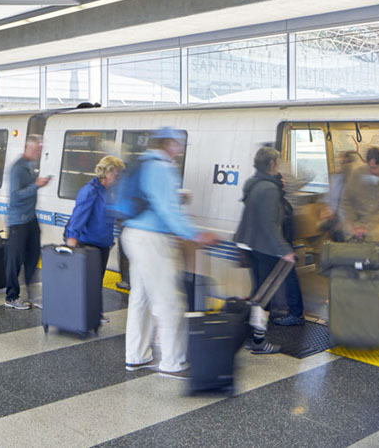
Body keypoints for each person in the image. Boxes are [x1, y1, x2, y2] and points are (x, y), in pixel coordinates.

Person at [121, 127, 217, 379]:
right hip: (153, 240)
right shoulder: (162, 168)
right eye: (178, 144)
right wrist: (194, 234)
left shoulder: (143, 162)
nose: (181, 149)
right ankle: (173, 363)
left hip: (133, 235)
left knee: (140, 300)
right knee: (169, 302)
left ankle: (136, 356)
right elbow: (168, 209)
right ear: (170, 144)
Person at [234, 146, 305, 353]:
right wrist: (284, 249)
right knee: (263, 296)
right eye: (278, 162)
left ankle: (249, 336)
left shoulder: (253, 182)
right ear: (272, 164)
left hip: (249, 243)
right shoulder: (269, 189)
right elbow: (269, 223)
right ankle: (257, 341)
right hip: (264, 246)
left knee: (258, 292)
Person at [65, 155, 125, 324]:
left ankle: (94, 312)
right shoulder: (90, 190)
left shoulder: (107, 192)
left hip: (103, 244)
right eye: (116, 173)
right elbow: (78, 216)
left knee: (96, 281)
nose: (117, 177)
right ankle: (80, 313)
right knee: (86, 282)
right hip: (88, 244)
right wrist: (72, 239)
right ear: (105, 172)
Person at [5, 134, 50, 310]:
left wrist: (38, 184)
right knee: (15, 259)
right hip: (18, 220)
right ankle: (11, 297)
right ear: (28, 148)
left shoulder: (30, 165)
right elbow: (15, 197)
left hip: (31, 218)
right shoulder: (17, 168)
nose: (40, 152)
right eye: (37, 149)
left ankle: (32, 295)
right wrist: (36, 185)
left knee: (33, 256)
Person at [339, 146, 379, 239]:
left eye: (378, 167)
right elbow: (346, 201)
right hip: (355, 222)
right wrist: (354, 224)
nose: (375, 171)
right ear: (366, 163)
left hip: (376, 223)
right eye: (372, 168)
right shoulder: (356, 175)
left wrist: (368, 226)